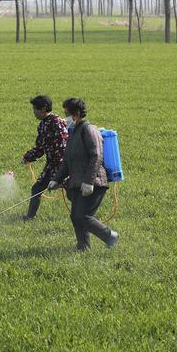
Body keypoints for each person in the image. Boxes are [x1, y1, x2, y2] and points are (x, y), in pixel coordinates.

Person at [48, 98, 119, 251]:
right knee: (76, 217)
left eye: (67, 114)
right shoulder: (73, 133)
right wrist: (56, 179)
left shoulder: (88, 129)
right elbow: (66, 162)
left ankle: (110, 236)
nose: (64, 118)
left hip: (94, 183)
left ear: (77, 114)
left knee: (82, 216)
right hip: (77, 184)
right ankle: (83, 248)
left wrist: (89, 181)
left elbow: (96, 155)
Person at [21, 95, 68, 220]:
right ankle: (30, 217)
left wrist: (59, 173)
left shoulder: (56, 123)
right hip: (51, 165)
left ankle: (85, 217)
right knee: (36, 188)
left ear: (43, 109)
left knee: (73, 193)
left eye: (35, 109)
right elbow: (40, 147)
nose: (33, 113)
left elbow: (63, 146)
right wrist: (28, 157)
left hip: (64, 165)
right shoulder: (42, 125)